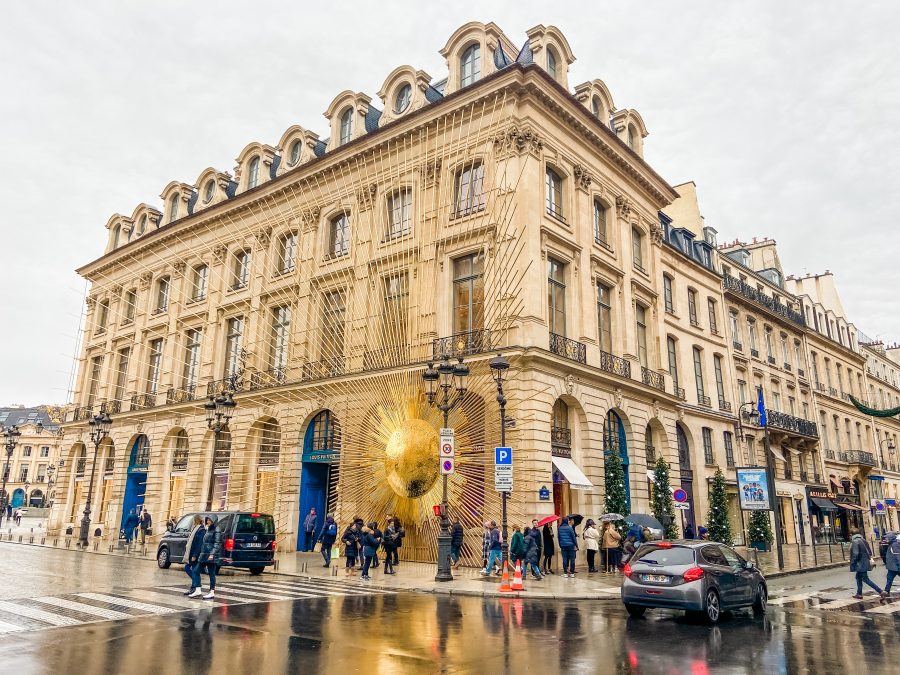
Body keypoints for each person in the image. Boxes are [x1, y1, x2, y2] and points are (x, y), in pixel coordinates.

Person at [849, 528, 886, 600]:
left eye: (850, 534)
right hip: (864, 563)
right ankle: (859, 593)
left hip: (860, 564)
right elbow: (869, 552)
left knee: (865, 579)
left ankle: (880, 591)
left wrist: (853, 563)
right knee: (858, 578)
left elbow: (855, 554)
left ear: (852, 534)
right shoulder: (863, 540)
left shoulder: (855, 541)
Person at [196, 515, 222, 600]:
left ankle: (211, 592)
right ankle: (197, 589)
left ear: (214, 520)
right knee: (196, 570)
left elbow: (217, 543)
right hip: (204, 554)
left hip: (210, 555)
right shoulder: (208, 529)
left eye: (210, 520)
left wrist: (212, 554)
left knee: (211, 573)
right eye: (207, 520)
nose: (208, 521)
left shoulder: (216, 529)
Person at [183, 515, 205, 596]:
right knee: (192, 570)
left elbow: (199, 544)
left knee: (192, 570)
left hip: (195, 554)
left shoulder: (201, 530)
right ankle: (194, 587)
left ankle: (196, 586)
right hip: (191, 553)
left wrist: (195, 555)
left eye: (194, 520)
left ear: (197, 520)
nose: (193, 521)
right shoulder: (195, 528)